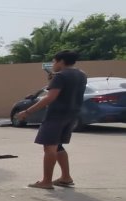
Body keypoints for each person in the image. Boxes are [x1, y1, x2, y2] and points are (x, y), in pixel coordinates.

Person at [16, 50, 87, 190]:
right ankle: (66, 177)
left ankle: (46, 181)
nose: (53, 64)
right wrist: (52, 80)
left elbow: (50, 97)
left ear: (61, 61)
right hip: (72, 114)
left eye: (54, 61)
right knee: (58, 146)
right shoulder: (81, 75)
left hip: (56, 115)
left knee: (49, 147)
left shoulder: (60, 76)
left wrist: (27, 112)